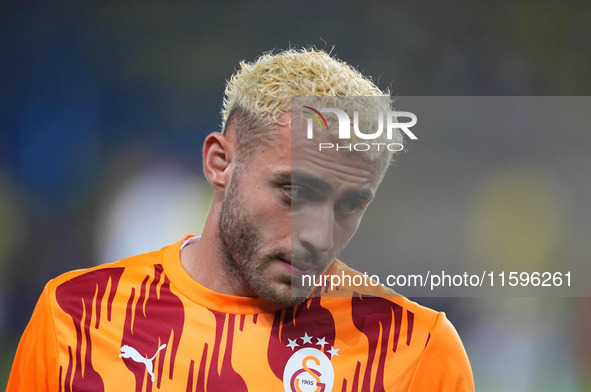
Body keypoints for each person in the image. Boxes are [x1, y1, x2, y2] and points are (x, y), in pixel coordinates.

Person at [7, 49, 474, 391]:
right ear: (219, 163)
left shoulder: (415, 349)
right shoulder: (75, 316)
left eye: (350, 205)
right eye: (294, 192)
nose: (318, 235)